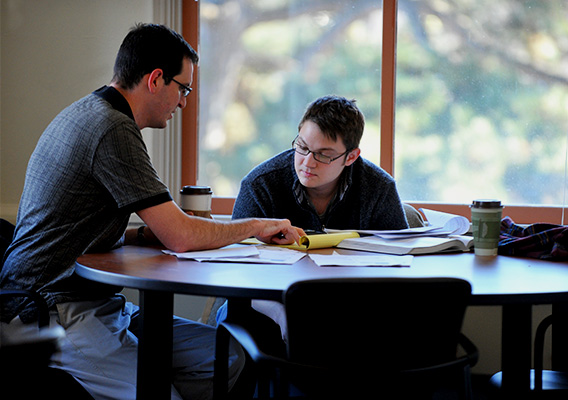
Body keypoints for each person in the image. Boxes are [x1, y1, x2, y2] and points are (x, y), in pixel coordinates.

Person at [0, 23, 304, 400]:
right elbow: (182, 236)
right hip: (52, 309)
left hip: (98, 304)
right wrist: (257, 225)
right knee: (161, 393)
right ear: (156, 79)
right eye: (184, 88)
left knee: (228, 359)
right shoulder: (111, 129)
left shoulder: (93, 112)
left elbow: (75, 227)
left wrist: (143, 234)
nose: (184, 102)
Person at [216, 95, 408, 355]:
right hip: (267, 303)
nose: (307, 162)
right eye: (302, 147)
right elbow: (234, 274)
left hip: (353, 305)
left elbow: (400, 267)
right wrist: (280, 309)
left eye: (323, 155)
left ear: (351, 156)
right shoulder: (261, 185)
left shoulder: (379, 188)